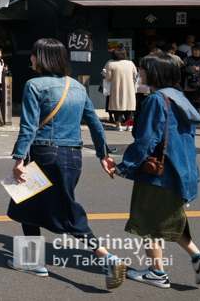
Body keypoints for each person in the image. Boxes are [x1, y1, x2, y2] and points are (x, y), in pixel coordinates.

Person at [7, 38, 125, 289]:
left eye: (34, 54)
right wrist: (103, 154)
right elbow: (94, 123)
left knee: (66, 212)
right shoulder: (78, 87)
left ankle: (106, 257)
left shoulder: (34, 85)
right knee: (26, 202)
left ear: (42, 58)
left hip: (44, 154)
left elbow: (28, 126)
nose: (31, 59)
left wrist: (19, 158)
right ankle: (32, 261)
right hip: (72, 155)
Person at [116, 54, 200, 288]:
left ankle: (157, 273)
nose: (139, 73)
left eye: (142, 69)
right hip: (182, 171)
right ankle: (198, 258)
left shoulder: (157, 99)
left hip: (161, 174)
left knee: (148, 220)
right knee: (170, 219)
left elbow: (146, 140)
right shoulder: (178, 97)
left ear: (154, 72)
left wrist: (123, 167)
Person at [103, 48, 137, 131]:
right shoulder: (130, 63)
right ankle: (129, 126)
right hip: (129, 88)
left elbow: (108, 77)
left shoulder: (111, 64)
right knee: (129, 107)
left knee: (117, 107)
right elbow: (135, 74)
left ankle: (119, 126)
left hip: (116, 87)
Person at [183, 43, 200, 109]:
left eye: (196, 50)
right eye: (193, 50)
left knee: (199, 98)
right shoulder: (187, 59)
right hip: (190, 81)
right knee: (190, 98)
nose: (194, 52)